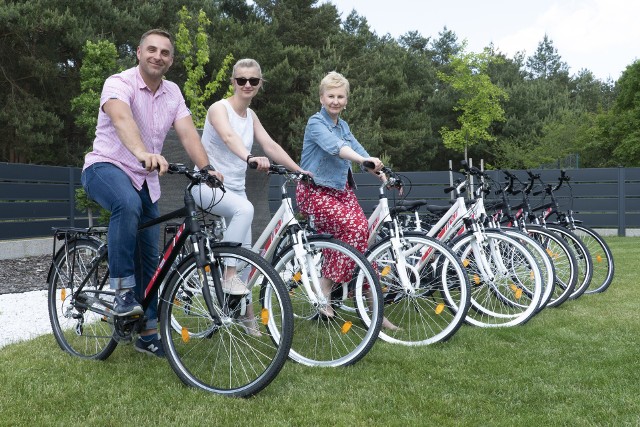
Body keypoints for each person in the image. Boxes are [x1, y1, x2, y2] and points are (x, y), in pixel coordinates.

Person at [81, 29, 222, 357]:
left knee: (152, 259)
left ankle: (146, 332)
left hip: (147, 181)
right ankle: (121, 294)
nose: (158, 56)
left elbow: (188, 134)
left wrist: (207, 168)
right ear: (139, 52)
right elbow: (120, 118)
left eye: (165, 53)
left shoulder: (173, 93)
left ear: (171, 60)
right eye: (152, 50)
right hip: (106, 167)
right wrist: (143, 152)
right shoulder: (119, 83)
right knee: (126, 204)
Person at [192, 58, 309, 336]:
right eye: (241, 80)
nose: (247, 85)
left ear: (260, 84)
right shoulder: (218, 108)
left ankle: (248, 317)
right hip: (206, 186)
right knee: (245, 211)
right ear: (232, 82)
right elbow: (229, 136)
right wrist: (248, 157)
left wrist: (300, 170)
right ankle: (228, 276)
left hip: (235, 191)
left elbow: (269, 144)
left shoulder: (252, 116)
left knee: (248, 255)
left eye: (253, 81)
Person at [295, 71, 398, 330]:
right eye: (330, 96)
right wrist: (362, 160)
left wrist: (381, 173)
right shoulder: (315, 123)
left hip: (340, 192)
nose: (335, 101)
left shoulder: (343, 126)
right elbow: (336, 148)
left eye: (340, 96)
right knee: (355, 229)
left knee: (362, 241)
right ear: (321, 98)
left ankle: (374, 309)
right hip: (314, 191)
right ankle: (325, 287)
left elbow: (358, 150)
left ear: (346, 100)